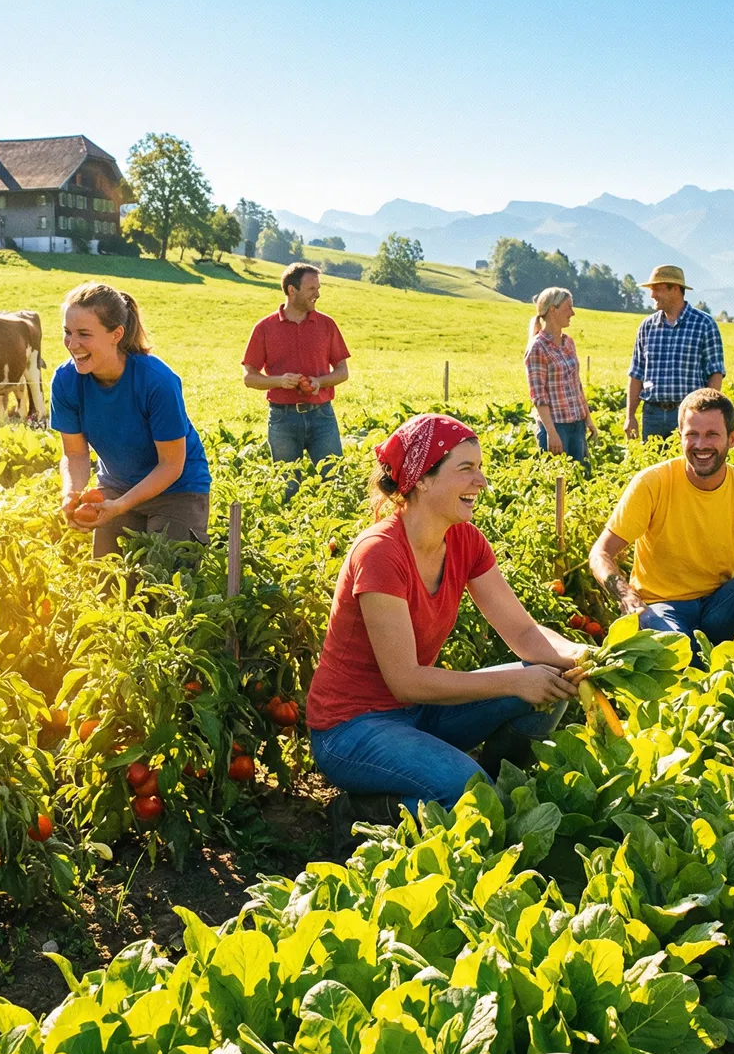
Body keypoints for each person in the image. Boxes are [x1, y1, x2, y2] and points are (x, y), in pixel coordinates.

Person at [307, 414, 586, 830]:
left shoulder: (465, 541)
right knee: (470, 792)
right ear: (422, 479)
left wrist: (584, 656)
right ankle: (367, 810)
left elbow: (524, 632)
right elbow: (405, 681)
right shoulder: (380, 553)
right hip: (352, 729)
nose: (482, 482)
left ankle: (491, 790)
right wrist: (513, 683)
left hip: (419, 712)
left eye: (480, 468)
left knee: (548, 683)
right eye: (466, 469)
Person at [590, 388, 734, 645]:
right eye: (692, 435)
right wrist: (624, 594)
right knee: (676, 647)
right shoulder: (652, 483)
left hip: (721, 606)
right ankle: (701, 658)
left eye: (712, 434)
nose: (701, 445)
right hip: (663, 608)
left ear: (732, 438)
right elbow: (600, 553)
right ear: (680, 437)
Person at [52, 282, 212, 556]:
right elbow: (75, 454)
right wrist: (71, 493)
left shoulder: (157, 381)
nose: (72, 344)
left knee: (164, 582)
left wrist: (121, 505)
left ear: (116, 334)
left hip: (177, 490)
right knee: (107, 583)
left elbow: (171, 465)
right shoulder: (66, 380)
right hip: (116, 486)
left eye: (84, 334)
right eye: (68, 333)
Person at [241, 262, 352, 465]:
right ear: (292, 290)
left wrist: (319, 382)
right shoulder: (265, 328)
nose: (317, 294)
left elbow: (342, 372)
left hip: (322, 416)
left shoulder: (327, 324)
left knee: (334, 479)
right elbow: (249, 378)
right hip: (282, 418)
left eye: (318, 288)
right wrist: (280, 381)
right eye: (311, 289)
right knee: (287, 486)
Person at [625, 265, 724, 439]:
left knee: (687, 465)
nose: (652, 295)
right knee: (653, 464)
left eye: (657, 289)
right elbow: (636, 374)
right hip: (652, 414)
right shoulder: (647, 327)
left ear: (675, 289)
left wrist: (708, 415)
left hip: (689, 413)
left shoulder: (704, 324)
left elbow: (715, 373)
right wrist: (630, 416)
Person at [524, 287, 590, 467]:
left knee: (582, 479)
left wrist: (588, 419)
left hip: (577, 424)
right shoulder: (538, 347)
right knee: (559, 481)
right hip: (556, 427)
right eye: (568, 307)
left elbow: (576, 384)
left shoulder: (568, 342)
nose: (573, 313)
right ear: (553, 309)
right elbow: (538, 396)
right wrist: (551, 433)